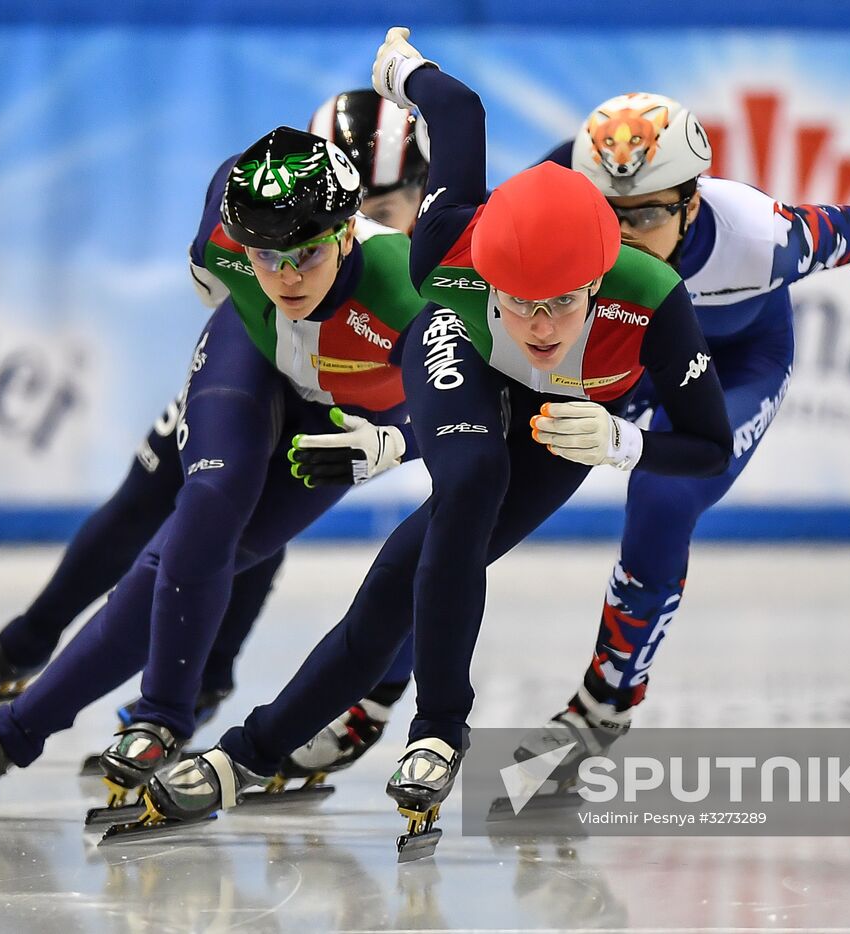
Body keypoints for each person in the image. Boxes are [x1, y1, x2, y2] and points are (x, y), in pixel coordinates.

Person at [132, 28, 732, 857]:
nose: (540, 327)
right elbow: (457, 106)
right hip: (471, 361)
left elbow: (708, 449)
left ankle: (247, 756)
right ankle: (440, 729)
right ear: (484, 267)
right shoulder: (447, 237)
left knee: (389, 595)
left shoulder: (654, 301)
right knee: (473, 477)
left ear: (601, 280)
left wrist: (626, 442)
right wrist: (401, 67)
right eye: (518, 301)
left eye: (560, 305)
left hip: (572, 421)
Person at [0, 126, 430, 812]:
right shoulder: (223, 242)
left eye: (308, 254)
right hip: (254, 359)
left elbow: (462, 418)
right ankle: (143, 719)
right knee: (202, 510)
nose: (288, 276)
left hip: (343, 422)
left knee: (221, 552)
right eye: (268, 256)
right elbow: (231, 198)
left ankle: (34, 727)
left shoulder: (409, 294)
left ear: (348, 235)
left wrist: (394, 444)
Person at [510, 90, 850, 781]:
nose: (624, 237)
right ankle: (383, 693)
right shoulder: (560, 195)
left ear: (692, 203)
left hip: (735, 362)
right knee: (484, 482)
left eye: (650, 214)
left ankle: (604, 704)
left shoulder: (760, 237)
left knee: (663, 495)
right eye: (608, 215)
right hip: (634, 350)